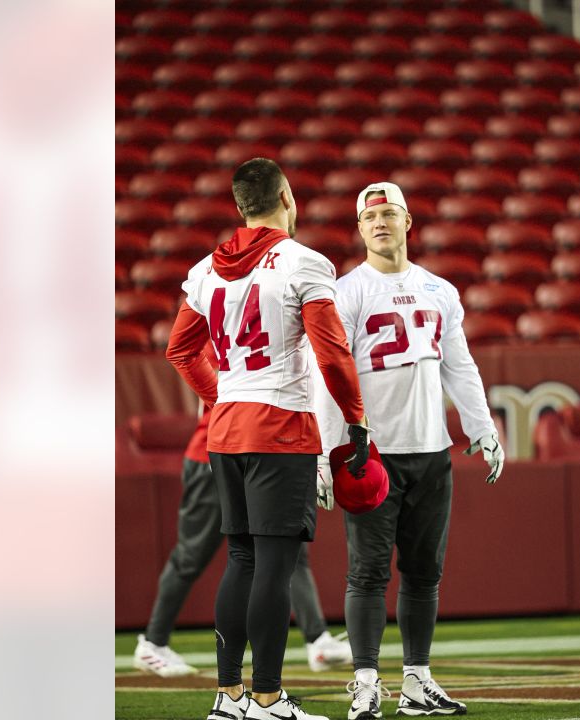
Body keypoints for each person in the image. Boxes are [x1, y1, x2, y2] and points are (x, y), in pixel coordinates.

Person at [166, 157, 371, 720]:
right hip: (281, 427)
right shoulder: (306, 262)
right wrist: (356, 419)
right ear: (288, 197)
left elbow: (180, 350)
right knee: (275, 567)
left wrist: (220, 397)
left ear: (239, 207)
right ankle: (267, 697)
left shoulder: (206, 268)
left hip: (226, 429)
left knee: (240, 560)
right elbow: (331, 353)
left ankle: (228, 695)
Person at [313, 182, 506, 719]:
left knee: (424, 573)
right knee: (368, 573)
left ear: (408, 221)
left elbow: (459, 365)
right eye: (370, 215)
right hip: (371, 454)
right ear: (359, 228)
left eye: (389, 213)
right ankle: (367, 683)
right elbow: (329, 375)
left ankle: (418, 681)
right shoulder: (346, 292)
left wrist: (481, 427)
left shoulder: (439, 289)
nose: (380, 222)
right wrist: (329, 451)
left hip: (432, 449)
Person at [133, 397, 355, 677]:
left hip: (266, 448)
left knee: (287, 547)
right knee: (195, 555)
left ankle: (317, 639)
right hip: (223, 451)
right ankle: (153, 641)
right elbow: (196, 364)